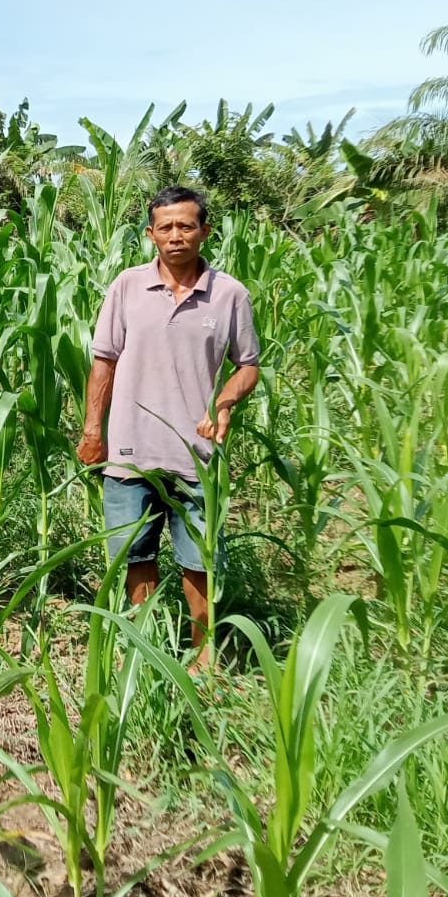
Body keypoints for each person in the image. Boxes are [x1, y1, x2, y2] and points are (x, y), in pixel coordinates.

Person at [76, 186, 260, 671]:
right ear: (150, 233)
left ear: (205, 230)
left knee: (200, 561)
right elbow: (104, 361)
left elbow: (248, 366)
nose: (176, 236)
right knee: (135, 555)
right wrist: (93, 429)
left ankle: (203, 657)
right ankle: (145, 648)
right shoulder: (127, 287)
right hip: (130, 449)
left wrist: (224, 401)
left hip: (195, 455)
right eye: (165, 227)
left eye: (186, 226)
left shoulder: (230, 294)